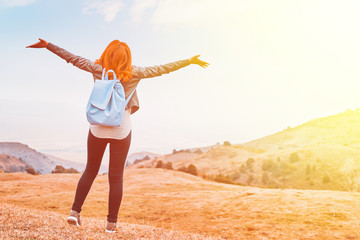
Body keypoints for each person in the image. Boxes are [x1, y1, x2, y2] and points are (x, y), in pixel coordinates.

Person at [26, 38, 209, 233]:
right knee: (116, 177)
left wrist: (48, 46)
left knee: (90, 171)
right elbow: (163, 68)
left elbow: (72, 58)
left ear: (107, 54)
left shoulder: (97, 68)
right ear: (127, 58)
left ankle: (74, 212)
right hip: (121, 129)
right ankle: (111, 225)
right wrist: (189, 61)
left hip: (97, 127)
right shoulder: (135, 72)